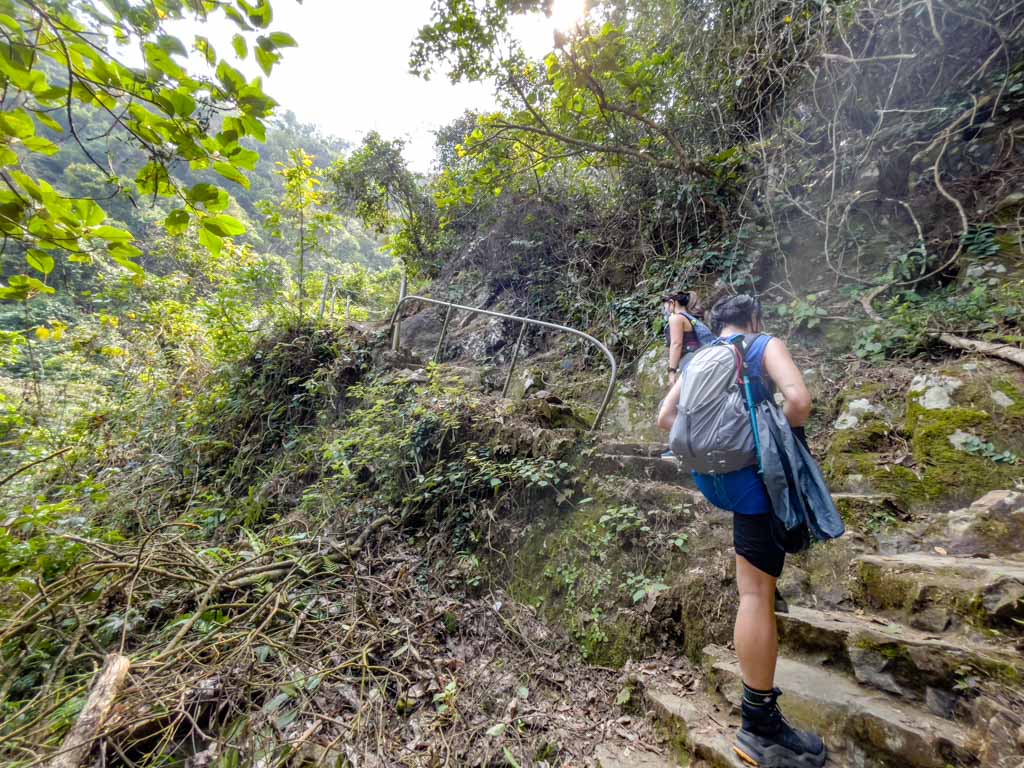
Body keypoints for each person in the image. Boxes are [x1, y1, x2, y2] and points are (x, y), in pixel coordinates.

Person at [656, 294, 826, 768]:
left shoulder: (698, 359)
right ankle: (759, 724)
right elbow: (799, 402)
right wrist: (765, 439)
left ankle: (759, 716)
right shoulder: (761, 345)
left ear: (715, 324)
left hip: (716, 484)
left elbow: (665, 419)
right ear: (753, 319)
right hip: (755, 484)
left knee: (753, 589)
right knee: (755, 595)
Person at [660, 291, 706, 459]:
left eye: (665, 303)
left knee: (673, 407)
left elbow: (676, 344)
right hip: (700, 366)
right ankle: (683, 446)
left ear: (672, 302)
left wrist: (671, 371)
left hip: (690, 366)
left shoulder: (676, 318)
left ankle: (683, 448)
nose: (664, 308)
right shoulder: (691, 319)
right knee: (686, 407)